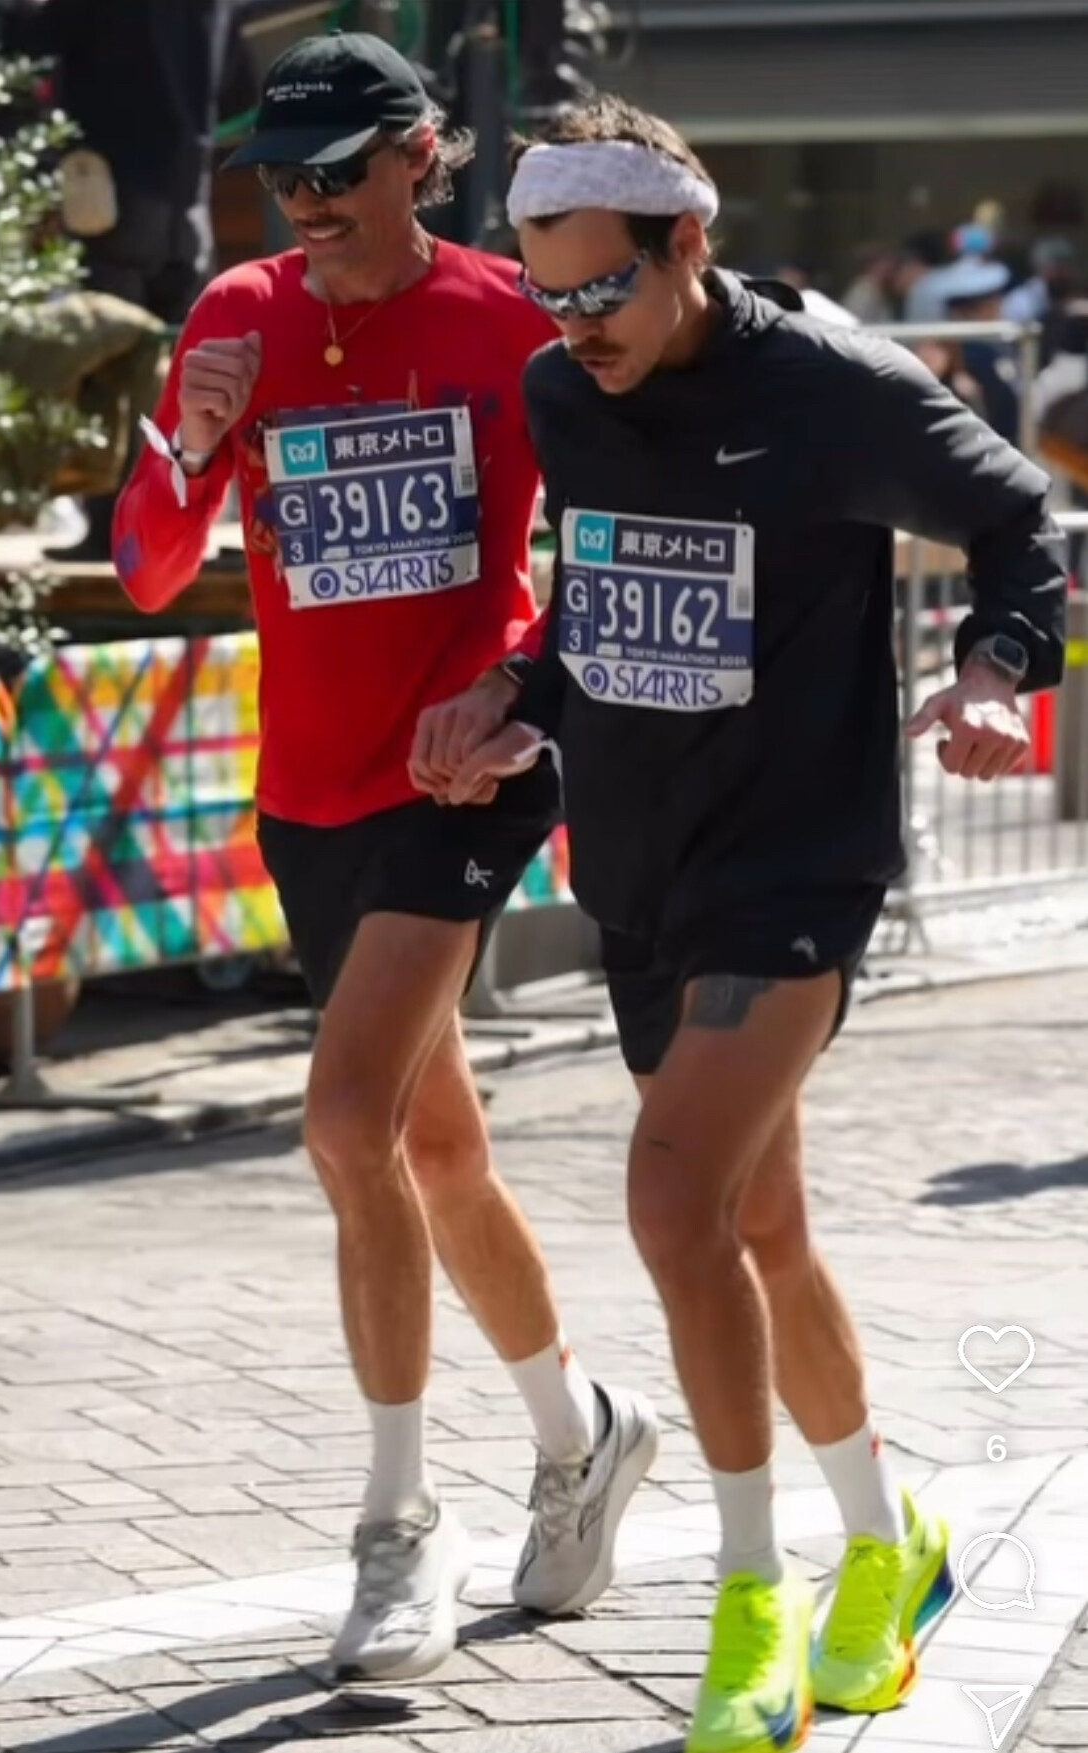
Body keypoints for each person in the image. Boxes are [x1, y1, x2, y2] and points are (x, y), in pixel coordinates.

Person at [412, 96, 1066, 1753]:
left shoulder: (830, 388)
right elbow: (596, 594)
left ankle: (750, 1594)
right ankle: (889, 1540)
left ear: (685, 243)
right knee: (759, 1226)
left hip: (798, 865)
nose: (574, 326)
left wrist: (996, 670)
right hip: (641, 865)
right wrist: (514, 698)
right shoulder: (562, 392)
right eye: (546, 293)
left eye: (602, 289)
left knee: (667, 1197)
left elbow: (1016, 523)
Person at [112, 33, 659, 1684]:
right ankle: (582, 1433)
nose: (304, 201)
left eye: (337, 170)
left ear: (421, 156)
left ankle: (396, 1526)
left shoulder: (511, 320)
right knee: (436, 1150)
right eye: (281, 176)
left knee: (347, 1123)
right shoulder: (237, 314)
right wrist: (191, 448)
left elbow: (614, 543)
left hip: (463, 777)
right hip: (308, 793)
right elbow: (148, 572)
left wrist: (519, 691)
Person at [0, 0, 240, 559]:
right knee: (182, 371)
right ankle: (181, 528)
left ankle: (112, 531)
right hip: (189, 195)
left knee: (110, 370)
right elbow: (237, 80)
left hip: (114, 189)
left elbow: (33, 42)